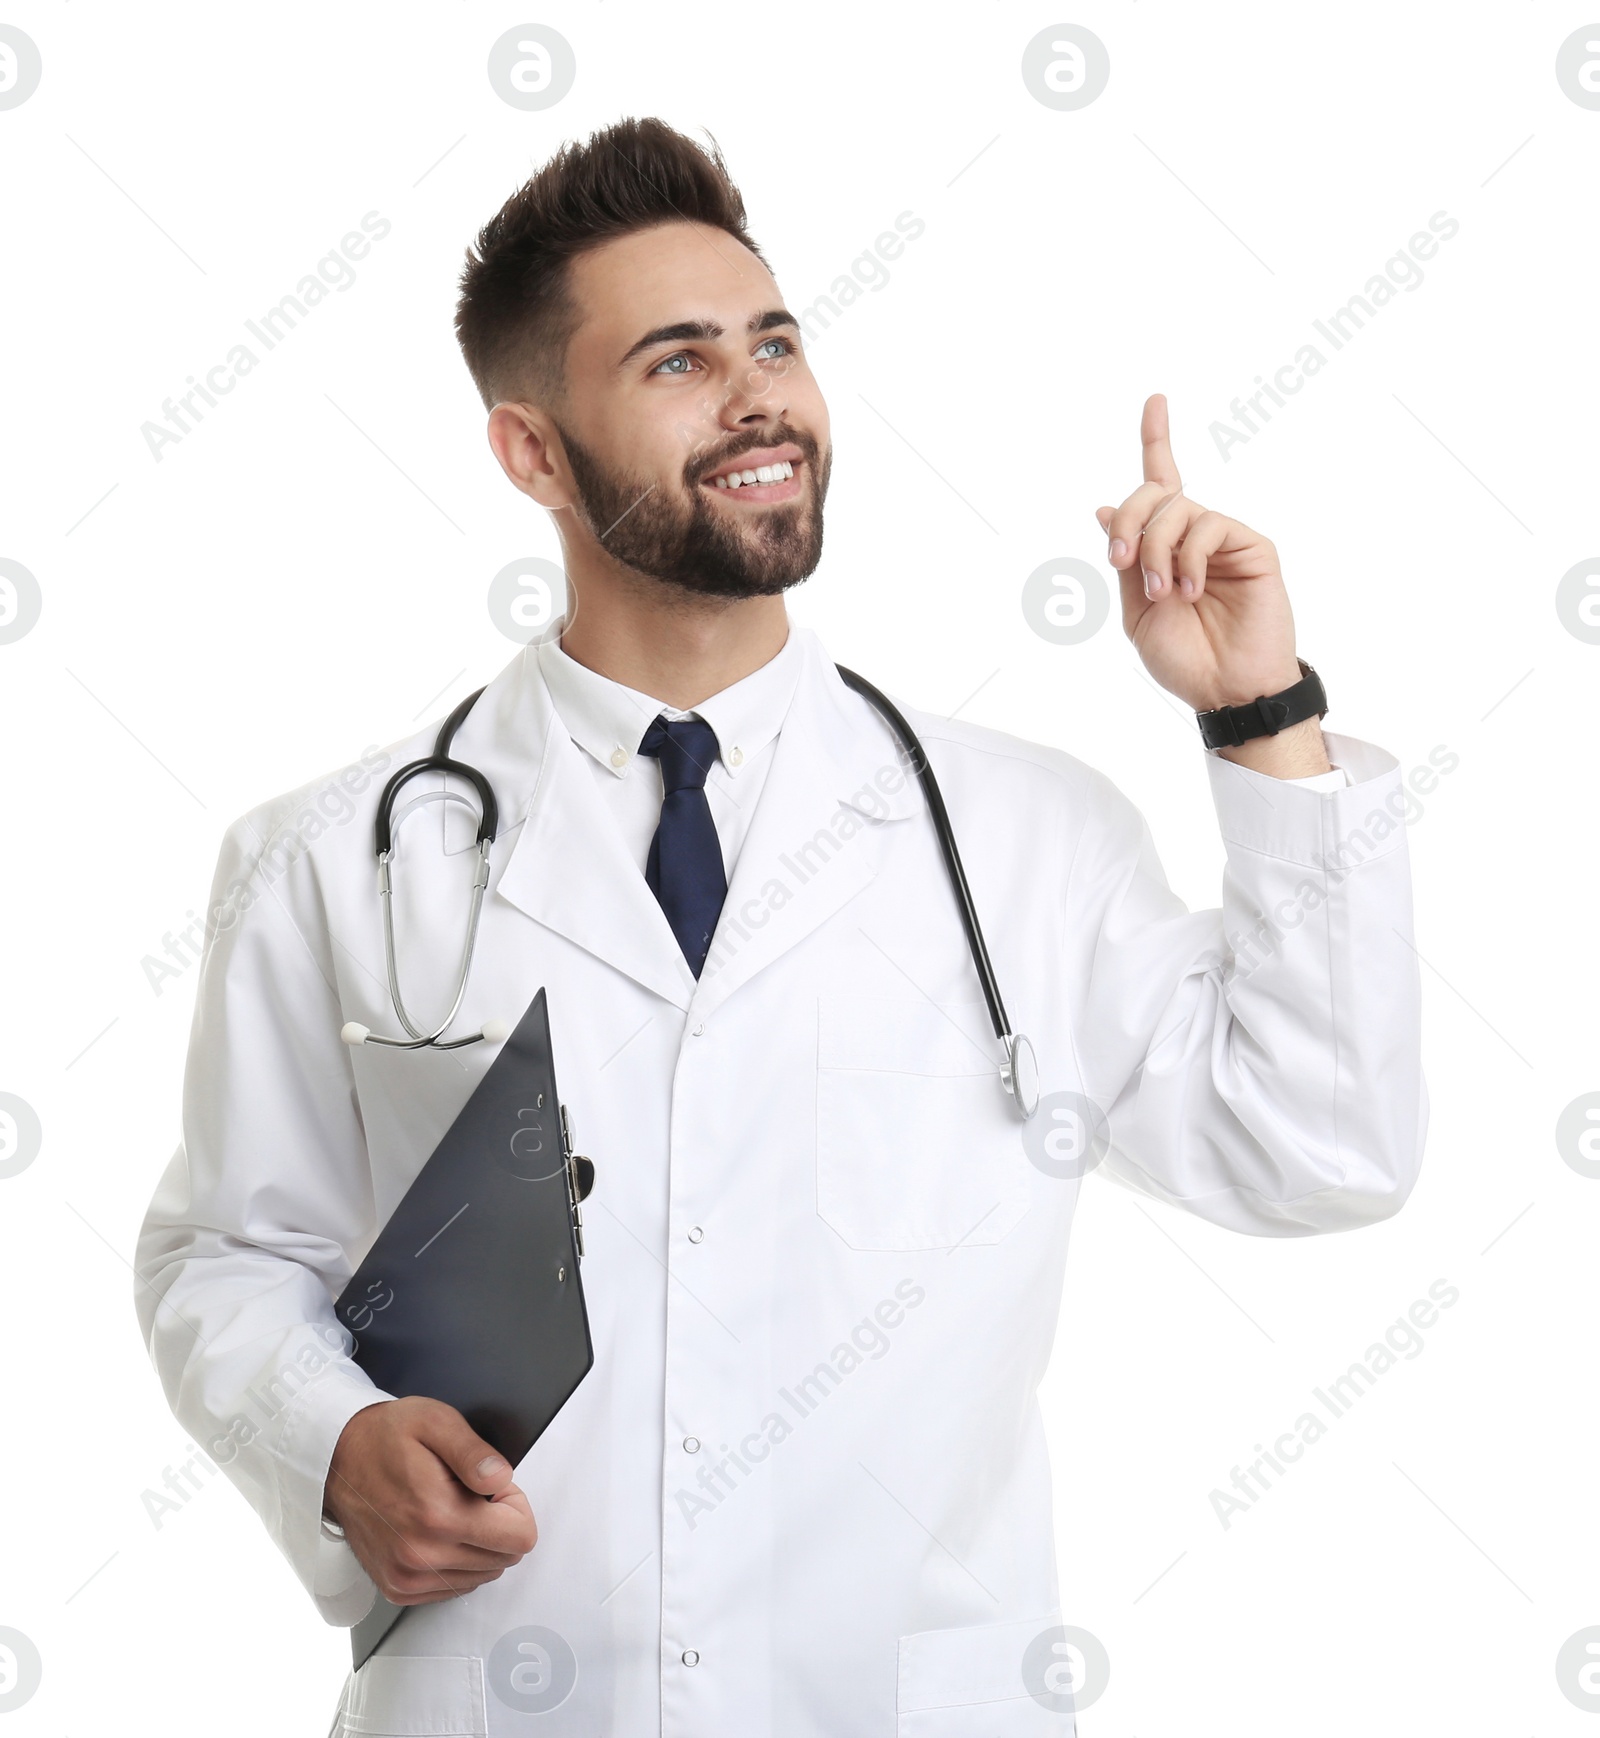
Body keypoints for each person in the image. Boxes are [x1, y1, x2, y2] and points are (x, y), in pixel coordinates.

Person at [135, 117, 1426, 1736]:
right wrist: (326, 1439)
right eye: (678, 361)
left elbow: (1325, 1145)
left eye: (777, 344)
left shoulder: (1024, 838)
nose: (759, 398)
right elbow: (226, 1253)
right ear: (532, 454)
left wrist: (1262, 716)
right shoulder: (335, 858)